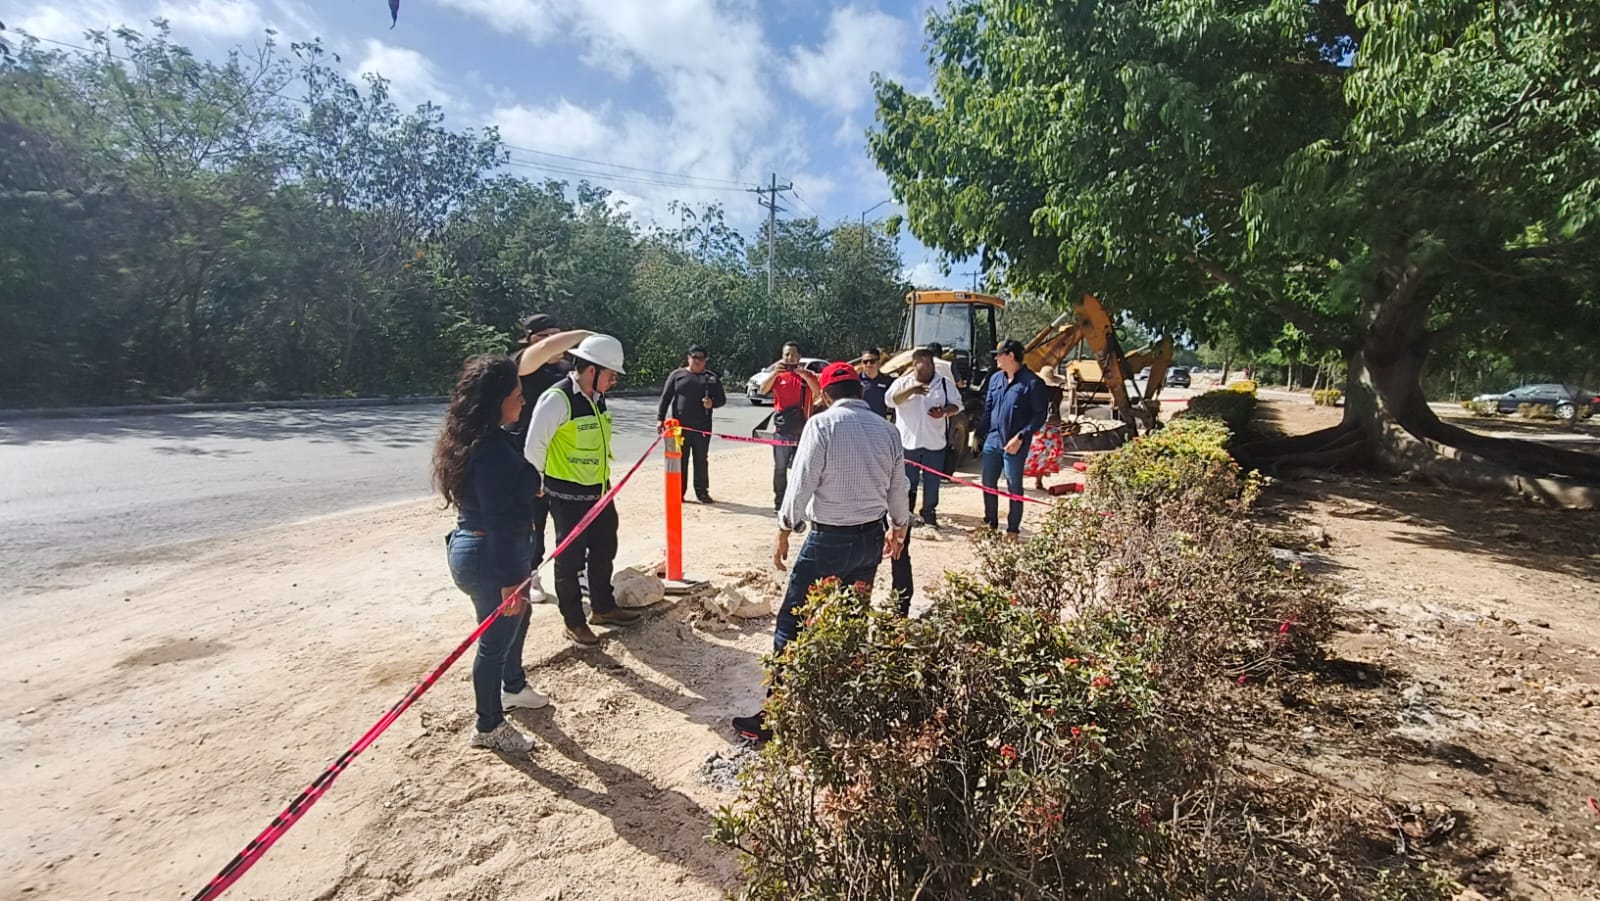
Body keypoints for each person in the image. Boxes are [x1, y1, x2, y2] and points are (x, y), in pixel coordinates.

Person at [732, 362, 912, 741]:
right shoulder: (888, 430)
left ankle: (775, 715)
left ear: (826, 395)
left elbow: (800, 484)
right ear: (860, 393)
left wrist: (784, 529)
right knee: (848, 624)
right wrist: (899, 528)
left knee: (792, 624)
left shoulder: (822, 424)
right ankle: (840, 710)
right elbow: (900, 488)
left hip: (828, 542)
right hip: (869, 543)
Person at [433, 355, 549, 755]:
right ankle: (489, 725)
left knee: (520, 618)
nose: (523, 402)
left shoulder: (485, 438)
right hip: (490, 556)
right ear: (498, 400)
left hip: (486, 549)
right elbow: (500, 520)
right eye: (517, 396)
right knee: (494, 641)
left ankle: (513, 686)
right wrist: (509, 582)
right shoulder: (491, 452)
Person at [523, 334, 642, 646]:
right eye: (611, 374)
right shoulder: (557, 399)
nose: (614, 381)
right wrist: (535, 484)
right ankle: (573, 621)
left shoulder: (596, 397)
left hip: (599, 492)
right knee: (570, 560)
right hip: (567, 497)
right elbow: (534, 446)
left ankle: (603, 608)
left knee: (605, 550)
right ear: (592, 370)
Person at [510, 316, 590, 604]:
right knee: (533, 522)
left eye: (557, 335)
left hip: (564, 458)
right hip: (526, 456)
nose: (552, 341)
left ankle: (577, 574)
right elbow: (543, 352)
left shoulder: (568, 370)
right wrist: (584, 333)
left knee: (571, 519)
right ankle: (529, 575)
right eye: (543, 336)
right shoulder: (522, 365)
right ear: (529, 339)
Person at [980, 339, 1048, 540]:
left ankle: (1012, 530)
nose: (995, 358)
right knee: (987, 483)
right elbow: (988, 409)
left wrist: (1021, 436)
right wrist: (978, 433)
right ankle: (990, 524)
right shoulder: (995, 379)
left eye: (999, 354)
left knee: (1013, 486)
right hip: (992, 441)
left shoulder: (1033, 383)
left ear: (1010, 356)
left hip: (1015, 444)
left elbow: (1039, 416)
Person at [888, 346, 962, 528]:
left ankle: (929, 513)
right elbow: (890, 400)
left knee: (932, 482)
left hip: (934, 443)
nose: (927, 367)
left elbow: (958, 405)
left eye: (930, 363)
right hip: (908, 444)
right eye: (923, 364)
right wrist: (912, 390)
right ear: (914, 365)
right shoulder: (902, 383)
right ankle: (907, 514)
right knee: (907, 483)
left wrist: (944, 412)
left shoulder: (944, 384)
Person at [656, 344, 726, 503]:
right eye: (694, 358)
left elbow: (722, 399)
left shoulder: (712, 378)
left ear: (705, 360)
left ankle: (702, 492)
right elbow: (666, 398)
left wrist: (712, 403)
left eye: (701, 358)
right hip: (679, 428)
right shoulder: (677, 375)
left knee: (701, 459)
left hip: (702, 427)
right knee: (680, 460)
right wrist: (660, 419)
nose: (697, 361)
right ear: (688, 358)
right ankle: (678, 492)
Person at [759, 342, 821, 511]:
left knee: (802, 468)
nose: (789, 358)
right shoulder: (777, 376)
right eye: (786, 354)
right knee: (780, 468)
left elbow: (818, 392)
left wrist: (805, 375)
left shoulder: (807, 375)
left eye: (793, 354)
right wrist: (773, 374)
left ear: (799, 357)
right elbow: (763, 391)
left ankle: (799, 503)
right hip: (782, 430)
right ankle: (779, 502)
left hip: (803, 429)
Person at [1024, 369, 1067, 490]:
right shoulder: (1058, 392)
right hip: (1053, 425)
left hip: (1039, 423)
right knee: (1048, 453)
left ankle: (1024, 476)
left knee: (1035, 451)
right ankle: (1039, 480)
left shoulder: (1037, 390)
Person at [856, 347, 895, 417]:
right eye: (865, 362)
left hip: (880, 422)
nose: (868, 364)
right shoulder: (855, 381)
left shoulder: (888, 381)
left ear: (878, 362)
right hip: (861, 421)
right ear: (862, 363)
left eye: (872, 361)